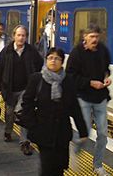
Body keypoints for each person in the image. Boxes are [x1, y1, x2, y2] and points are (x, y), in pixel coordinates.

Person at [20, 48, 88, 176]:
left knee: (60, 167)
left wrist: (83, 130)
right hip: (43, 130)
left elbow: (74, 107)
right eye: (50, 57)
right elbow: (27, 103)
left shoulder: (68, 81)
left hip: (62, 132)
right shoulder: (37, 79)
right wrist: (32, 125)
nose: (53, 61)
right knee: (47, 167)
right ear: (46, 60)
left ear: (62, 62)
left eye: (57, 58)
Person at [66, 24, 112, 176]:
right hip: (83, 97)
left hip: (100, 97)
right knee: (84, 131)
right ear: (84, 37)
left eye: (97, 37)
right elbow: (71, 76)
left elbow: (106, 69)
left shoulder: (103, 51)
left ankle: (97, 165)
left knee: (103, 134)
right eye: (92, 36)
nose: (95, 40)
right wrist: (90, 83)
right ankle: (74, 147)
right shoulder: (76, 53)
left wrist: (106, 78)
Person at [0, 25, 43, 155]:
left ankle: (24, 142)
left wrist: (35, 82)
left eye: (23, 35)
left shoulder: (32, 51)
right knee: (9, 113)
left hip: (26, 90)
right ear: (14, 36)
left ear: (26, 37)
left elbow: (39, 64)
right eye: (19, 35)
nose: (21, 38)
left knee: (23, 113)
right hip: (9, 89)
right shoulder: (6, 51)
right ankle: (8, 131)